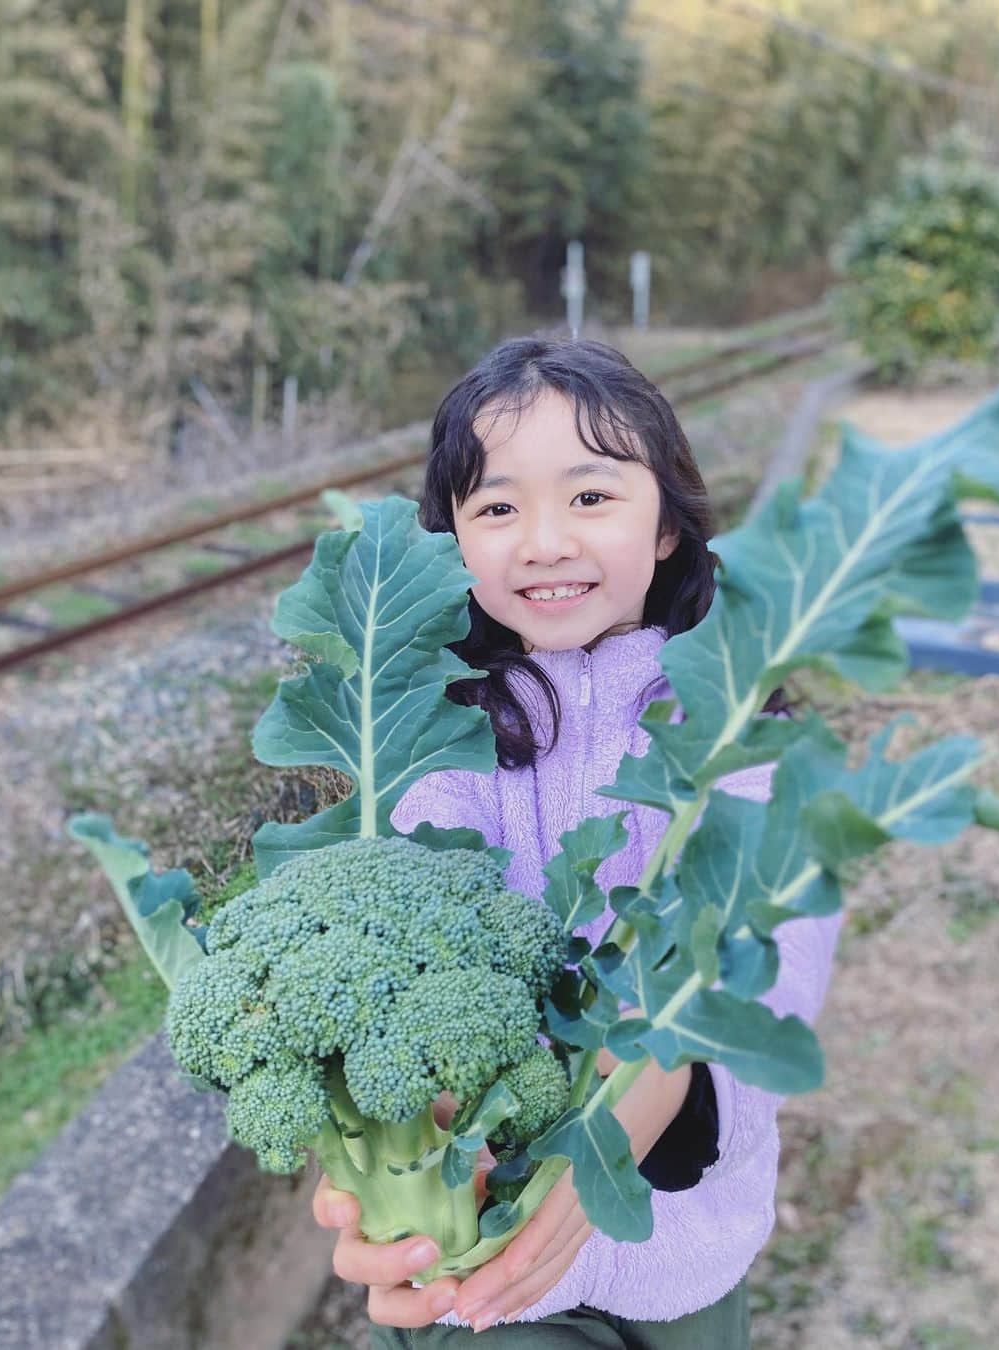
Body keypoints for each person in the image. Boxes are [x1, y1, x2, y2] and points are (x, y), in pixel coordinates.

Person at [312, 336, 843, 1346]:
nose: (544, 541)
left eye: (591, 498)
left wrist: (618, 1125)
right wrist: (403, 1155)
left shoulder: (735, 732)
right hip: (490, 1277)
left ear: (668, 529)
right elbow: (401, 958)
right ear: (452, 547)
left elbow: (775, 975)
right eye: (498, 508)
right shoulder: (438, 747)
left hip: (679, 1252)